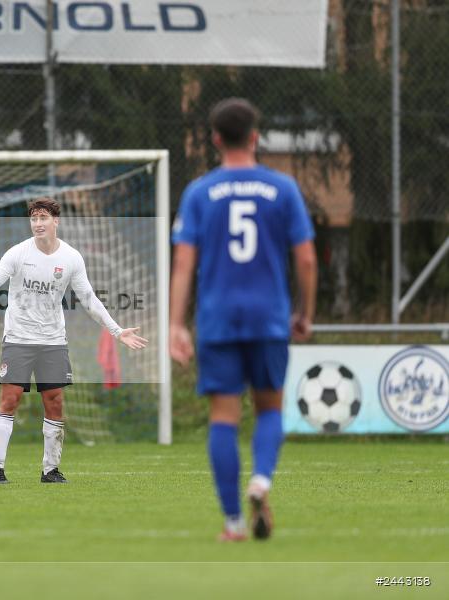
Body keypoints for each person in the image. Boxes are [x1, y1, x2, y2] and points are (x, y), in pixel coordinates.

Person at [169, 98, 318, 541]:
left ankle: (233, 522)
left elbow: (183, 263)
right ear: (256, 136)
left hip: (217, 319)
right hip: (269, 317)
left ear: (216, 138)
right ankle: (262, 480)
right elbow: (307, 258)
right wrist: (305, 312)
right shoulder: (283, 188)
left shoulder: (200, 192)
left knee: (223, 417)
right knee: (270, 407)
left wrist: (177, 323)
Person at [0, 198, 147, 484]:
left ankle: (50, 470)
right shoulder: (18, 254)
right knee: (10, 399)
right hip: (19, 338)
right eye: (34, 218)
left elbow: (89, 300)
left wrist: (117, 331)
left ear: (56, 221)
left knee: (55, 402)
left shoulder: (71, 258)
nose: (38, 223)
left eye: (43, 217)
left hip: (53, 341)